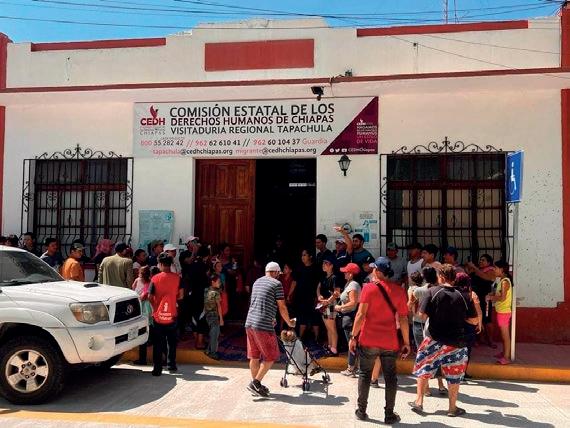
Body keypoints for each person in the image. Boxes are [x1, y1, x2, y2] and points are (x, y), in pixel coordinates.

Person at [410, 264, 479, 418]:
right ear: (453, 278)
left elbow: (422, 315)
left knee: (424, 368)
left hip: (433, 338)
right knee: (454, 375)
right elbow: (474, 320)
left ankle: (419, 401)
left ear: (440, 277)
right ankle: (452, 408)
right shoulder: (464, 296)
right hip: (456, 342)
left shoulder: (431, 292)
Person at [349, 257, 410, 424]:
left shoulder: (368, 288)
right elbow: (403, 319)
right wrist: (406, 342)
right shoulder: (399, 291)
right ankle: (389, 414)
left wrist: (353, 337)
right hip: (389, 341)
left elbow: (360, 315)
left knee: (364, 374)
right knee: (390, 377)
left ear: (376, 271)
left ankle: (361, 411)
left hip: (368, 339)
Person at [244, 262, 295, 397]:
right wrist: (289, 322)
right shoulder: (276, 284)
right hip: (263, 325)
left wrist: (271, 316)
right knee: (271, 356)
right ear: (276, 272)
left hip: (250, 322)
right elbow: (282, 306)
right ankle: (255, 383)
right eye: (279, 274)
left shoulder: (257, 282)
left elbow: (259, 302)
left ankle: (256, 386)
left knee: (254, 356)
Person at [408, 268, 447, 396]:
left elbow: (410, 304)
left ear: (424, 277)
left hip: (419, 323)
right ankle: (441, 385)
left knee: (423, 355)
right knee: (438, 355)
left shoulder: (418, 290)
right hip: (436, 325)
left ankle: (426, 388)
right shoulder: (440, 290)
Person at [149, 252, 183, 376]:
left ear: (161, 264)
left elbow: (150, 296)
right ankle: (171, 365)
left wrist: (155, 308)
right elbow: (181, 295)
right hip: (172, 314)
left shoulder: (154, 278)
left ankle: (157, 369)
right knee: (172, 342)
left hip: (158, 316)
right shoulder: (177, 278)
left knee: (158, 343)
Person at [334, 262, 361, 377]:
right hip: (348, 317)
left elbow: (353, 303)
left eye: (346, 272)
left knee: (352, 343)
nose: (344, 273)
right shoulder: (349, 284)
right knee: (353, 343)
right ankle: (355, 367)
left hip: (350, 317)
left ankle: (351, 368)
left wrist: (340, 307)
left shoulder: (353, 285)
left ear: (351, 274)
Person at [454, 272, 483, 377]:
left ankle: (456, 372)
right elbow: (479, 312)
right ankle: (463, 372)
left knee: (457, 349)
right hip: (470, 325)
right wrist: (479, 324)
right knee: (467, 350)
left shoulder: (454, 293)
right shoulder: (472, 294)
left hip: (458, 324)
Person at [289, 249, 321, 342]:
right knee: (301, 317)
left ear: (310, 256)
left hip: (312, 297)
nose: (302, 257)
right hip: (300, 297)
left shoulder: (316, 268)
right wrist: (289, 294)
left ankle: (317, 338)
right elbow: (294, 282)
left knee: (315, 317)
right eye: (302, 255)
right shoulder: (299, 268)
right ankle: (300, 337)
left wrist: (317, 296)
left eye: (304, 255)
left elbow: (319, 284)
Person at [465, 254, 496, 348]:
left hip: (485, 299)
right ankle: (480, 339)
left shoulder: (491, 270)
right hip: (475, 298)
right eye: (480, 260)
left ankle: (490, 340)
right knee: (477, 319)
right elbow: (468, 275)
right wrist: (468, 266)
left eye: (483, 260)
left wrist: (474, 267)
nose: (480, 261)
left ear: (489, 262)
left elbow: (485, 277)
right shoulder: (477, 270)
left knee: (487, 320)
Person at [487, 260, 513, 365]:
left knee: (505, 336)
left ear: (501, 269)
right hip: (501, 311)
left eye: (495, 268)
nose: (494, 270)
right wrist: (492, 294)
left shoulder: (505, 282)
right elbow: (499, 295)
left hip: (504, 312)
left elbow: (502, 298)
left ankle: (506, 357)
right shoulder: (501, 280)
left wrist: (491, 297)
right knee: (503, 335)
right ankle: (504, 353)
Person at [317, 254, 342, 356]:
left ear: (331, 265)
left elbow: (337, 292)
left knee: (332, 327)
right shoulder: (323, 277)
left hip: (330, 305)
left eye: (326, 263)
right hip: (323, 305)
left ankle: (334, 349)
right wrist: (319, 296)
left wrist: (327, 301)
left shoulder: (334, 277)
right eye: (323, 263)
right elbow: (318, 288)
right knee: (328, 327)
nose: (323, 265)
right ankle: (330, 347)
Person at [132, 266, 153, 365]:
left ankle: (142, 359)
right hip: (148, 309)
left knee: (142, 332)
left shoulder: (138, 280)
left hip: (140, 309)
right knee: (149, 330)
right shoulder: (150, 282)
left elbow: (133, 290)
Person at [203, 273, 224, 360]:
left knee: (212, 333)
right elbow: (219, 306)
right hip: (214, 315)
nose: (220, 283)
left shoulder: (206, 290)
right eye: (218, 282)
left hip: (207, 315)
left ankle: (208, 350)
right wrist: (221, 319)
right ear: (213, 282)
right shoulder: (216, 293)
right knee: (215, 334)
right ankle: (213, 353)